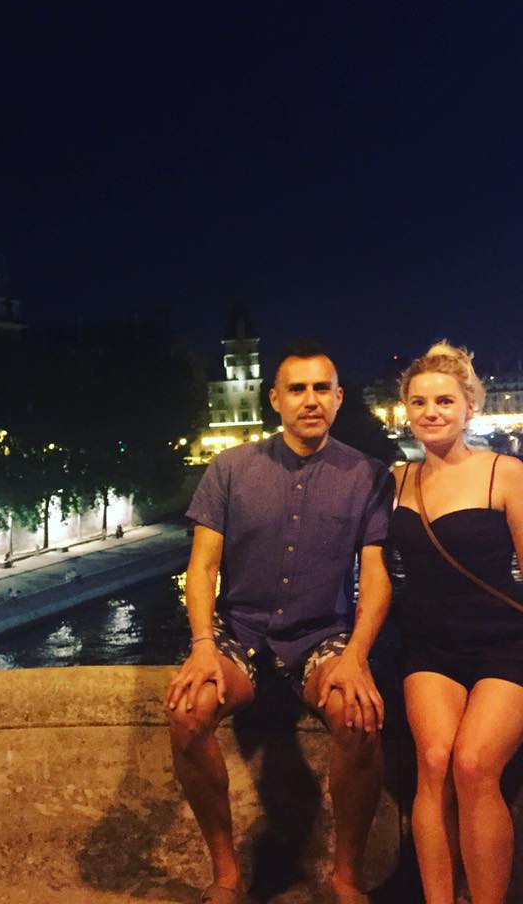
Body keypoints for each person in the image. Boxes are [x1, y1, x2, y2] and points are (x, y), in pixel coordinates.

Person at [166, 341, 393, 904]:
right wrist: (202, 644)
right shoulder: (229, 470)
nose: (310, 400)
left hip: (321, 635)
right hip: (240, 632)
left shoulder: (368, 476)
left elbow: (376, 575)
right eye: (297, 389)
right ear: (275, 399)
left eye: (321, 389)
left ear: (339, 398)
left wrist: (357, 656)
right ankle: (226, 875)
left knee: (359, 718)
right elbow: (203, 567)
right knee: (187, 714)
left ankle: (346, 877)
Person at [391, 342, 523, 904]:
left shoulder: (505, 473)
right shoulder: (396, 480)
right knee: (434, 762)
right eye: (419, 402)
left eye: (445, 400)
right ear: (406, 409)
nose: (431, 412)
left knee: (473, 763)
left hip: (503, 643)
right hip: (429, 644)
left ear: (470, 406)